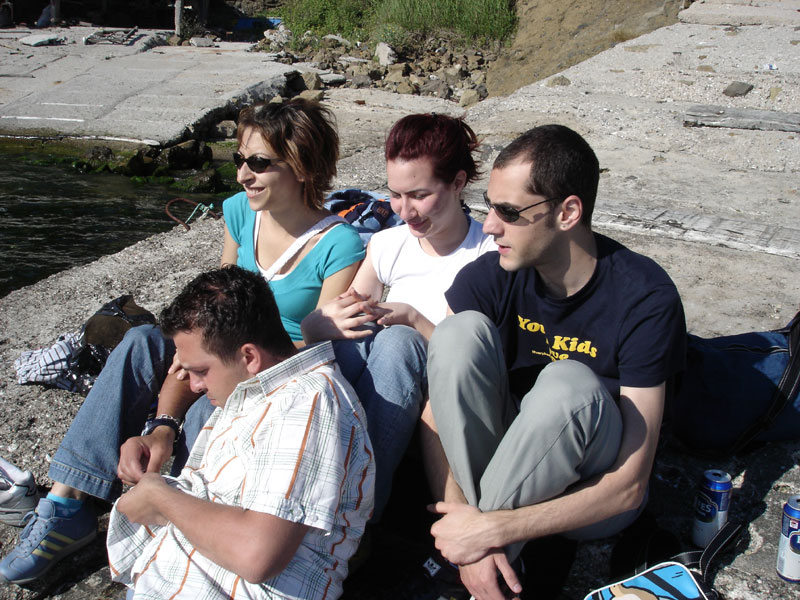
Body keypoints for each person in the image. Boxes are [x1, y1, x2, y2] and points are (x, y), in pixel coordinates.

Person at [0, 98, 365, 585]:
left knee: (201, 409)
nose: (242, 175)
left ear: (302, 166)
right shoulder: (239, 213)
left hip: (267, 371)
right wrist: (174, 394)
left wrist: (227, 362)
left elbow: (315, 355)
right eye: (240, 159)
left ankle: (183, 523)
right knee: (141, 341)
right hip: (220, 351)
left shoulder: (339, 245)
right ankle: (66, 504)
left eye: (259, 163)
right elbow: (215, 305)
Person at [421, 125, 687, 600]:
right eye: (488, 206)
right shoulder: (490, 276)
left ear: (568, 213)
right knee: (457, 334)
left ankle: (464, 569)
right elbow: (435, 414)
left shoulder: (645, 297)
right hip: (506, 464)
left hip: (591, 490)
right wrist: (460, 519)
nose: (489, 226)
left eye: (509, 212)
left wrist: (489, 530)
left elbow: (629, 486)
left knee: (567, 385)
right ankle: (483, 565)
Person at [103, 266, 373, 599]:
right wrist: (158, 441)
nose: (195, 385)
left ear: (249, 356)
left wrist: (160, 497)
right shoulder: (253, 389)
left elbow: (256, 555)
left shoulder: (306, 404)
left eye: (201, 371)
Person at [301, 112, 496, 519]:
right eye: (395, 195)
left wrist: (412, 317)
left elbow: (468, 358)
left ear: (458, 182)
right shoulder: (388, 244)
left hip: (440, 383)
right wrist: (317, 325)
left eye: (419, 195)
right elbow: (353, 318)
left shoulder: (487, 254)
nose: (405, 211)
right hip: (386, 373)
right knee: (354, 340)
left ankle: (356, 506)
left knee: (398, 340)